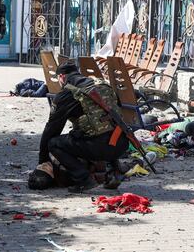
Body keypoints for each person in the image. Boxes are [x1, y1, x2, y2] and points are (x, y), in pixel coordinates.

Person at [31, 62, 129, 193]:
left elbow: (52, 130)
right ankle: (114, 171)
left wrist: (43, 160)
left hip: (100, 147)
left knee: (54, 143)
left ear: (61, 77)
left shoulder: (68, 94)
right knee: (105, 128)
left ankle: (84, 179)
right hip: (122, 143)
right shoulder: (101, 85)